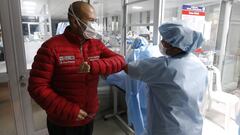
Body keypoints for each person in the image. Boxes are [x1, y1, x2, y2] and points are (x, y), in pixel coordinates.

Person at [28, 1, 125, 135]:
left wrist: (93, 66)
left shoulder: (95, 44)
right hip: (63, 121)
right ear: (75, 21)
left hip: (88, 118)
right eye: (90, 21)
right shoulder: (51, 47)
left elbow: (120, 61)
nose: (94, 25)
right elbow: (37, 87)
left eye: (94, 21)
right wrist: (68, 110)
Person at [124, 22, 208, 135]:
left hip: (167, 128)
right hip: (193, 128)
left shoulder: (164, 67)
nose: (162, 43)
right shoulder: (200, 65)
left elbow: (129, 68)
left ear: (177, 46)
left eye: (166, 41)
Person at [106, 37, 160, 135]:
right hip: (148, 88)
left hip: (135, 88)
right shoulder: (152, 51)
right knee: (147, 113)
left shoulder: (133, 54)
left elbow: (126, 70)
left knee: (139, 110)